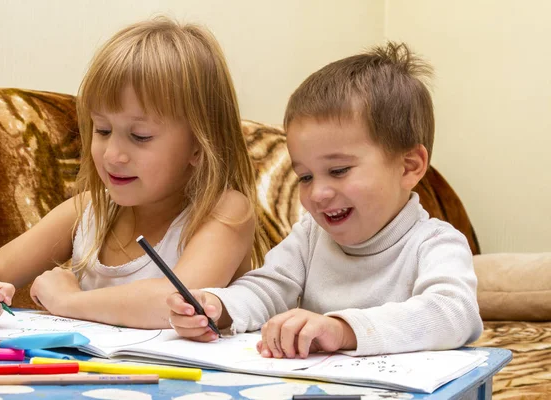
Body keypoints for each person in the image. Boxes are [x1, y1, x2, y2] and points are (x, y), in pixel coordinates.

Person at [167, 42, 483, 358]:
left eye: (338, 170)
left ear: (409, 166)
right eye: (305, 177)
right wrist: (218, 307)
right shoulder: (310, 236)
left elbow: (453, 312)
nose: (317, 193)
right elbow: (267, 289)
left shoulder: (436, 242)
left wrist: (342, 330)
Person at [0, 17, 269, 329]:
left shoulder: (226, 211)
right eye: (102, 130)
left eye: (140, 136)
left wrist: (68, 302)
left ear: (199, 146)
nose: (113, 155)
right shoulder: (86, 211)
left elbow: (180, 303)